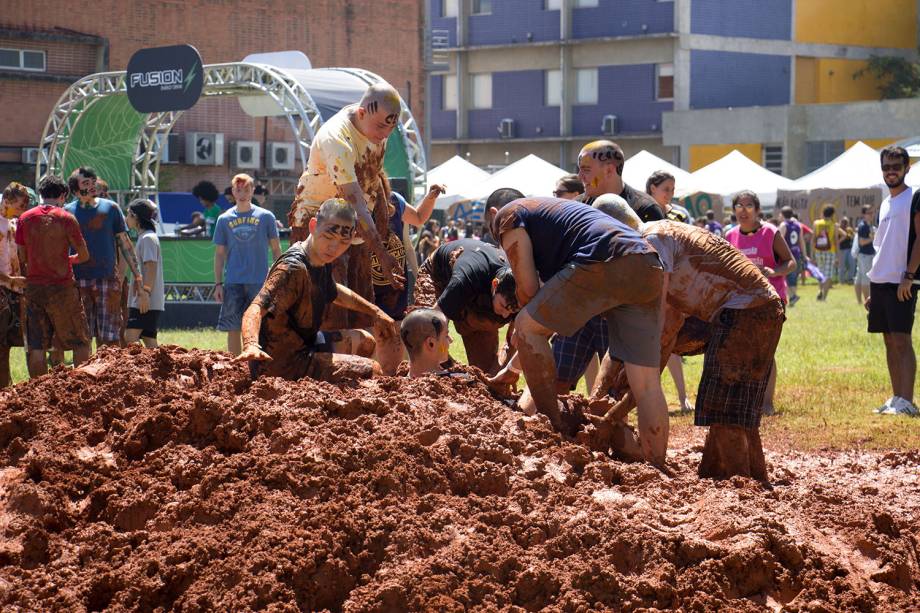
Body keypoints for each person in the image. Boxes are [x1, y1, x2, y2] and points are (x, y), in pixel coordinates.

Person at [589, 199, 784, 480]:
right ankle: (738, 478)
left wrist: (612, 414)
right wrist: (619, 405)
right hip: (762, 308)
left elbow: (655, 325)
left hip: (744, 312)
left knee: (726, 412)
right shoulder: (667, 234)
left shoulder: (652, 240)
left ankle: (743, 490)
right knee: (736, 410)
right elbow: (667, 331)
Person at [486, 192, 669, 467]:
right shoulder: (555, 216)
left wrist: (520, 335)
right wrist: (514, 367)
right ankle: (657, 466)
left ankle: (551, 429)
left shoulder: (509, 216)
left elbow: (527, 293)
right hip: (647, 263)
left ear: (493, 214)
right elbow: (547, 310)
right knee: (646, 382)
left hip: (604, 258)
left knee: (526, 326)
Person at [236, 198, 397, 382]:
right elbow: (255, 307)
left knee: (365, 341)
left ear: (352, 239)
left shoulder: (320, 258)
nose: (334, 247)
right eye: (328, 237)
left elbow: (334, 290)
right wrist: (250, 344)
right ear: (313, 226)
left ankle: (337, 392)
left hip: (307, 345)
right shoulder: (293, 268)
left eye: (343, 242)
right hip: (280, 365)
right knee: (373, 370)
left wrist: (375, 311)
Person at [288, 82, 406, 332]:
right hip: (319, 225)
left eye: (390, 128)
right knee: (330, 313)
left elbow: (373, 179)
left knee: (362, 311)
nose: (384, 135)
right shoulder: (337, 139)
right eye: (381, 127)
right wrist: (381, 254)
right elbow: (355, 199)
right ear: (362, 113)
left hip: (355, 226)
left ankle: (356, 365)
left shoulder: (375, 124)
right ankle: (318, 367)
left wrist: (382, 235)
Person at [725, 190, 794, 416]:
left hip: (771, 299)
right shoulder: (730, 236)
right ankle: (746, 399)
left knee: (765, 352)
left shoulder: (770, 232)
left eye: (748, 206)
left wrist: (774, 271)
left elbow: (791, 262)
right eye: (739, 206)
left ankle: (767, 402)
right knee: (744, 351)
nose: (743, 211)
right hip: (742, 301)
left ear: (757, 210)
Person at [15, 175, 92, 377]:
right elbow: (84, 255)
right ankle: (82, 387)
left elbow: (22, 256)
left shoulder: (25, 219)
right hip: (63, 287)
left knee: (37, 345)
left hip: (34, 288)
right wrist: (69, 260)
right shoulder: (66, 218)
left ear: (41, 194)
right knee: (80, 341)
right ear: (63, 195)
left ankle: (37, 393)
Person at [411, 234, 519, 374]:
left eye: (512, 311)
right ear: (494, 285)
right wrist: (444, 351)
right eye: (504, 307)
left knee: (486, 373)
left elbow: (515, 340)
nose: (506, 314)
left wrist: (505, 369)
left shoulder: (519, 294)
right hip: (437, 275)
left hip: (477, 296)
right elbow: (431, 320)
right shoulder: (465, 279)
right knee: (427, 339)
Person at [64, 166, 146, 350]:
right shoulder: (67, 212)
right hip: (78, 282)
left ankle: (110, 377)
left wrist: (137, 276)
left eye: (93, 182)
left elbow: (125, 244)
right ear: (76, 191)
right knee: (82, 338)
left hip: (107, 280)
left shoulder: (111, 208)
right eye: (86, 183)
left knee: (110, 338)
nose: (92, 186)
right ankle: (85, 377)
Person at [865, 146, 920, 416]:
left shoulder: (915, 197)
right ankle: (896, 398)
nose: (891, 171)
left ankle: (908, 402)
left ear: (907, 167)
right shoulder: (885, 203)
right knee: (888, 341)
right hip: (880, 281)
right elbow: (881, 246)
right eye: (886, 166)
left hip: (902, 281)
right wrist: (873, 287)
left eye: (896, 166)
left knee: (902, 340)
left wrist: (909, 276)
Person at [214, 173, 282, 356]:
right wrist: (218, 284)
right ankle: (236, 365)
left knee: (260, 326)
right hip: (233, 281)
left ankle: (259, 365)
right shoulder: (224, 219)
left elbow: (276, 250)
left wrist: (278, 278)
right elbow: (219, 254)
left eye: (246, 189)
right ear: (233, 192)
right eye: (238, 189)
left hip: (260, 282)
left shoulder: (266, 217)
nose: (242, 193)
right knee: (233, 327)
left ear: (252, 190)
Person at [646, 171, 694, 412]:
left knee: (671, 341)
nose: (670, 194)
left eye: (673, 189)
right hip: (648, 283)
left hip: (675, 284)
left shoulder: (680, 214)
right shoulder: (641, 211)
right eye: (666, 188)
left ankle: (683, 396)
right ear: (652, 188)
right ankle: (652, 398)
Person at [371, 183, 445, 321]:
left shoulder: (394, 200)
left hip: (396, 289)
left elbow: (418, 218)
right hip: (370, 290)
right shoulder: (357, 201)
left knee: (397, 331)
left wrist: (430, 198)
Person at [575, 140, 664, 221]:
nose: (579, 176)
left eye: (586, 170)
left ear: (609, 170)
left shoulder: (646, 210)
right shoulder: (576, 208)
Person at [124, 199, 164, 348]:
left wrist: (145, 293)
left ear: (135, 216)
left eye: (128, 214)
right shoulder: (146, 237)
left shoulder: (147, 238)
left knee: (130, 336)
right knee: (149, 339)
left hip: (145, 299)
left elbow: (150, 267)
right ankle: (159, 370)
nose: (126, 218)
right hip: (146, 298)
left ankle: (137, 371)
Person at [0, 183, 28, 387]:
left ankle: (6, 385)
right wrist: (9, 280)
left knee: (7, 344)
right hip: (3, 288)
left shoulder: (13, 223)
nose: (22, 211)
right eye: (19, 206)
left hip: (13, 290)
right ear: (7, 202)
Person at [401, 308, 452, 378]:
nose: (451, 340)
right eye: (446, 336)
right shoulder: (459, 383)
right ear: (431, 344)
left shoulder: (396, 386)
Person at [778, 206, 807, 306]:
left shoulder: (783, 225)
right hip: (796, 254)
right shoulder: (798, 225)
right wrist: (804, 255)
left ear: (782, 214)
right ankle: (793, 298)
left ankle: (792, 297)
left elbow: (779, 241)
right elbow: (801, 241)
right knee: (793, 278)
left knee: (783, 276)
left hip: (786, 255)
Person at [812, 205, 841, 300]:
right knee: (828, 274)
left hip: (818, 251)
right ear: (832, 214)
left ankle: (820, 290)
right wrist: (837, 255)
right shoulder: (835, 225)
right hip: (830, 251)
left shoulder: (816, 223)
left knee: (820, 272)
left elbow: (813, 239)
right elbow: (836, 241)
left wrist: (812, 254)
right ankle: (824, 296)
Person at [855, 204, 876, 306]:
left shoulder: (867, 225)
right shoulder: (863, 226)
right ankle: (866, 302)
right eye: (869, 213)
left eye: (872, 212)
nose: (872, 215)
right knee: (865, 279)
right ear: (864, 214)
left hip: (864, 255)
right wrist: (873, 238)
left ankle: (859, 301)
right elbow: (862, 242)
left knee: (859, 278)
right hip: (865, 255)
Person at [838, 216, 856, 284]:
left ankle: (849, 278)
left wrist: (852, 235)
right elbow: (836, 240)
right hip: (842, 250)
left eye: (846, 222)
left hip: (849, 249)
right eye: (843, 222)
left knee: (852, 264)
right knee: (842, 266)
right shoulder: (838, 230)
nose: (844, 223)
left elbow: (854, 237)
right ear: (840, 222)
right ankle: (841, 281)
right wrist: (843, 237)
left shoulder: (849, 229)